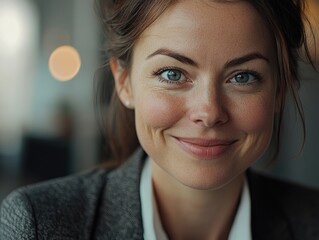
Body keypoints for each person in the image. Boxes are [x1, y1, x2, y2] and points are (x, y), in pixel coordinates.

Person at [1, 0, 319, 239]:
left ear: (279, 90)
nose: (208, 112)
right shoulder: (39, 225)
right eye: (172, 74)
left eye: (243, 77)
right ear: (124, 81)